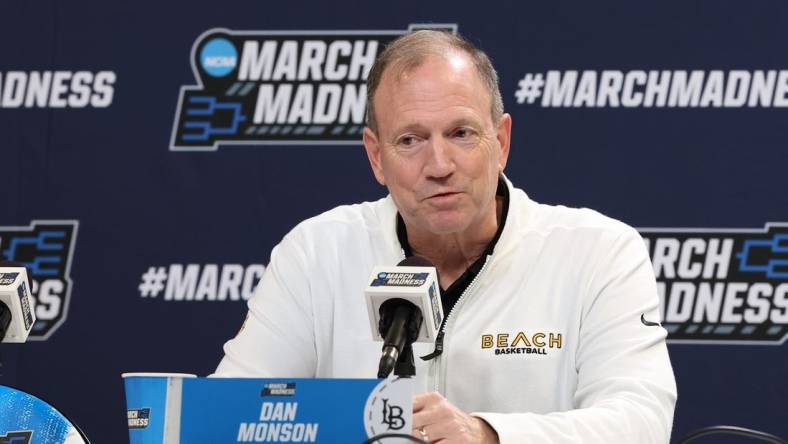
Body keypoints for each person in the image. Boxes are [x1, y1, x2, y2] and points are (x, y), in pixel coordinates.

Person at [216, 30, 677, 443]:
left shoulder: (597, 251)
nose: (439, 165)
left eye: (461, 133)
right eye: (410, 141)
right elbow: (225, 414)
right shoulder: (317, 253)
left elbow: (640, 421)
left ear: (501, 141)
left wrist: (490, 436)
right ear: (376, 157)